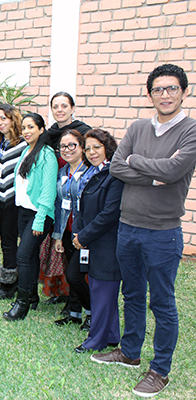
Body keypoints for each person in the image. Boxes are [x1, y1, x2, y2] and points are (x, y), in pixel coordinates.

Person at [93, 64, 196, 398]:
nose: (164, 95)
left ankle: (160, 370)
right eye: (158, 90)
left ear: (184, 91)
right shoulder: (138, 127)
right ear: (149, 93)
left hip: (162, 232)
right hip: (128, 227)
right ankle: (130, 352)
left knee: (162, 302)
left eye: (171, 89)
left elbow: (176, 168)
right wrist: (154, 174)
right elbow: (119, 167)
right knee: (133, 295)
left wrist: (137, 162)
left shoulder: (190, 131)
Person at [72, 129, 123, 354]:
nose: (92, 152)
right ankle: (111, 335)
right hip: (92, 241)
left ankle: (96, 341)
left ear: (107, 148)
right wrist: (78, 232)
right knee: (102, 290)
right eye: (88, 148)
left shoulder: (115, 174)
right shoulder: (93, 172)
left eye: (97, 147)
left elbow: (109, 214)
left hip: (107, 243)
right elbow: (83, 207)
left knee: (103, 292)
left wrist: (83, 236)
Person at [3, 113, 57, 321]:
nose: (26, 131)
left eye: (31, 127)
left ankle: (21, 303)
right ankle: (32, 297)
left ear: (41, 130)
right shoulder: (27, 150)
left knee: (23, 256)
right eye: (24, 128)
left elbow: (48, 191)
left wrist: (40, 218)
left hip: (39, 213)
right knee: (31, 255)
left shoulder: (47, 155)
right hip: (24, 211)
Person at [42, 92, 92, 309]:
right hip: (58, 200)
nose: (60, 110)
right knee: (63, 257)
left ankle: (87, 306)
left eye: (64, 105)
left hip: (80, 207)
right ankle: (70, 303)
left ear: (73, 108)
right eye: (55, 106)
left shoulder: (84, 132)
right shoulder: (49, 135)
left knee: (79, 267)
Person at [0, 104, 27, 300]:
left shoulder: (24, 145)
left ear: (13, 119)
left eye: (4, 118)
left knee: (10, 244)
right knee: (6, 243)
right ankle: (15, 281)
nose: (0, 123)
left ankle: (7, 286)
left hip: (15, 202)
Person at [51, 130, 91, 329]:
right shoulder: (62, 172)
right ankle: (74, 314)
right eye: (63, 146)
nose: (66, 150)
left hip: (84, 234)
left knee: (74, 275)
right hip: (67, 231)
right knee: (72, 274)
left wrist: (85, 235)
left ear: (82, 147)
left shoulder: (92, 172)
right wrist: (58, 236)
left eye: (72, 145)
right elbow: (60, 205)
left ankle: (92, 313)